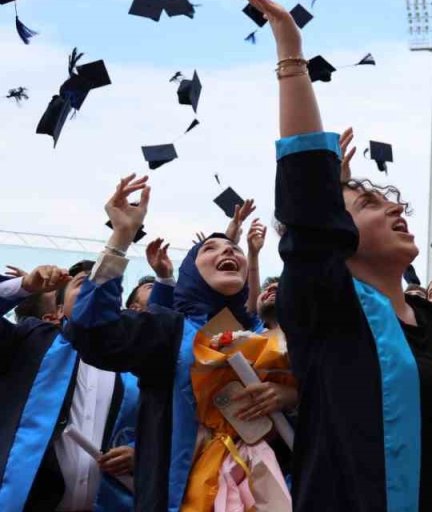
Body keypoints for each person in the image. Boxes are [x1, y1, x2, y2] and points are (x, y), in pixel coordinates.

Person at [238, 0, 432, 512]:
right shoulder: (329, 311)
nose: (397, 208)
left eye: (392, 201)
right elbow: (309, 211)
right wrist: (291, 56)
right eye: (372, 204)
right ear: (338, 233)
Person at [63, 176, 296, 512]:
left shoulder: (271, 337)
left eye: (232, 248)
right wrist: (121, 236)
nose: (227, 250)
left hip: (270, 495)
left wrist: (291, 395)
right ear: (190, 275)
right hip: (180, 498)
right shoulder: (168, 331)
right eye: (209, 249)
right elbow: (93, 330)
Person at [1, 263, 139, 511]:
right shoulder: (30, 342)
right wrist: (24, 287)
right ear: (59, 310)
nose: (95, 290)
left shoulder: (137, 363)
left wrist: (137, 452)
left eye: (105, 287)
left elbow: (162, 424)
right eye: (83, 283)